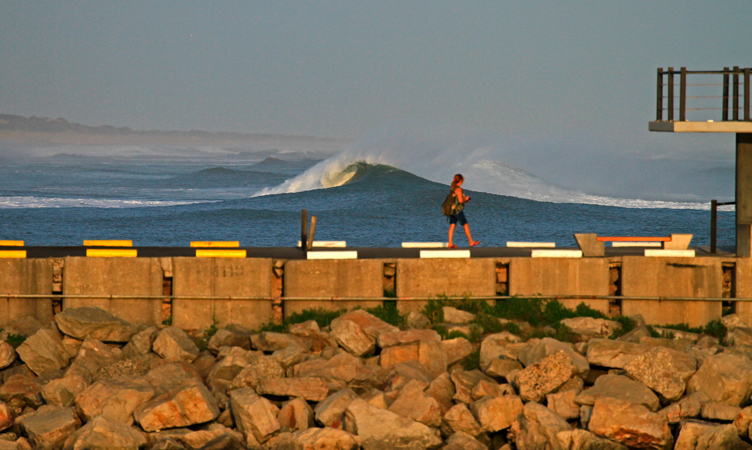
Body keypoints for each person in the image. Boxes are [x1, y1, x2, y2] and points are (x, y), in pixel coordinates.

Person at [447, 174, 480, 248]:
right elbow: (460, 200)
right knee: (465, 225)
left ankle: (450, 243)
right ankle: (471, 242)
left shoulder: (453, 188)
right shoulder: (458, 189)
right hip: (457, 210)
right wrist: (466, 199)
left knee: (452, 225)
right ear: (461, 181)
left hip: (451, 210)